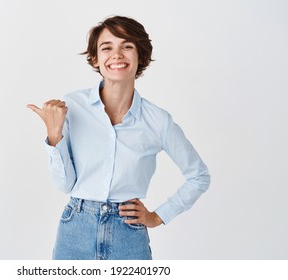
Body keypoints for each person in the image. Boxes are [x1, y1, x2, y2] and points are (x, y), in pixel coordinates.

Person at [27, 15, 210, 260]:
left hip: (128, 234)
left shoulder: (157, 121)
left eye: (127, 46)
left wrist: (158, 216)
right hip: (75, 230)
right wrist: (54, 135)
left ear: (140, 56)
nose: (117, 55)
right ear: (95, 58)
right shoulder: (72, 106)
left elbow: (199, 176)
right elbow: (65, 185)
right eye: (107, 48)